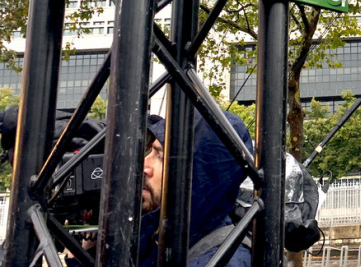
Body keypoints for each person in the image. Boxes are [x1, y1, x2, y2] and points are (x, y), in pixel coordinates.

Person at [68, 111, 254, 267]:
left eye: (161, 157)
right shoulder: (153, 234)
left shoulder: (223, 260)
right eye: (150, 151)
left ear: (200, 174)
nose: (143, 166)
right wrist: (87, 252)